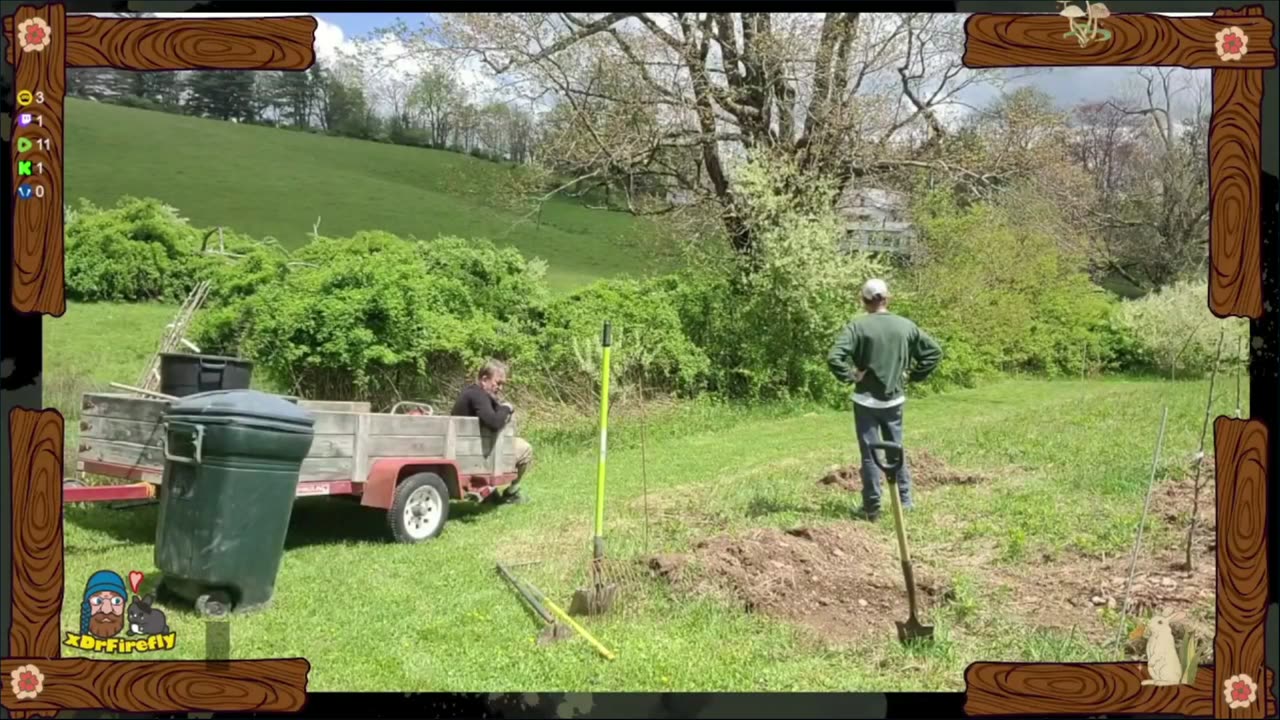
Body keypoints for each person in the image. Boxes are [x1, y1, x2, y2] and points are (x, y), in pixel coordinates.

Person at [827, 278, 942, 522]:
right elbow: (934, 352)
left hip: (865, 402)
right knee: (896, 450)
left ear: (864, 301)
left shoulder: (857, 327)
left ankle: (872, 508)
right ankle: (906, 502)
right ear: (887, 299)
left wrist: (850, 375)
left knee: (869, 454)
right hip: (894, 401)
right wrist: (915, 376)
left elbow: (834, 357)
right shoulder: (905, 326)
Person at [450, 360, 534, 504]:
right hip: (474, 455)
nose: (500, 388)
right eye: (498, 383)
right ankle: (511, 492)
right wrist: (506, 408)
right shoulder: (478, 395)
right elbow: (494, 422)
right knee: (525, 449)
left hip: (466, 450)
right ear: (484, 379)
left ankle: (487, 489)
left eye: (503, 384)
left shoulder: (471, 393)